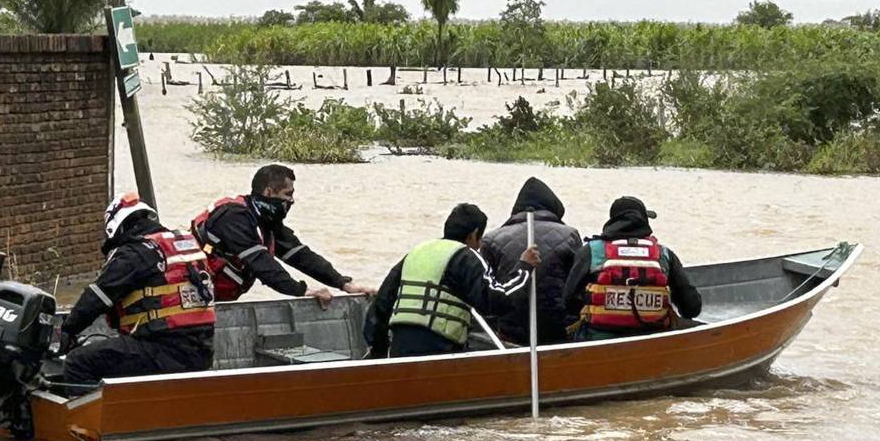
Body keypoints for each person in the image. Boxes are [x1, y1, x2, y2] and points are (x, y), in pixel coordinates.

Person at [59, 193, 216, 390]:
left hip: (164, 352)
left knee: (78, 362)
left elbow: (98, 297)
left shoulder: (136, 252)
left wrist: (68, 329)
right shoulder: (183, 245)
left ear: (117, 228)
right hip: (202, 353)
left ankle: (85, 420)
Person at [365, 203, 541, 358]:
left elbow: (382, 303)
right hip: (439, 349)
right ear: (473, 234)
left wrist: (379, 350)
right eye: (479, 239)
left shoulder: (416, 253)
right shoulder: (466, 256)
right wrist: (524, 267)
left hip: (400, 349)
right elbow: (497, 300)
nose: (479, 246)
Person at [191, 164, 374, 306]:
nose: (292, 201)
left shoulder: (265, 220)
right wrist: (301, 290)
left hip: (213, 300)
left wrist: (343, 283)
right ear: (269, 192)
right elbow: (261, 263)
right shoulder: (233, 217)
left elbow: (300, 255)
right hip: (192, 298)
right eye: (288, 194)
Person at [563, 196, 701, 341]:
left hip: (598, 339)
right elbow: (692, 308)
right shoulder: (664, 254)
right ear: (644, 221)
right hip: (654, 339)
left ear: (612, 221)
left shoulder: (591, 251)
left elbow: (568, 301)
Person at [481, 177, 582, 345]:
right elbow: (577, 285)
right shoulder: (570, 235)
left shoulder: (491, 239)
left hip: (508, 332)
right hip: (557, 328)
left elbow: (485, 291)